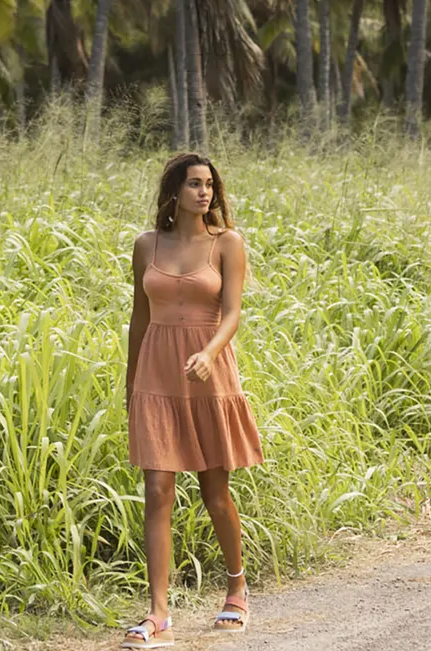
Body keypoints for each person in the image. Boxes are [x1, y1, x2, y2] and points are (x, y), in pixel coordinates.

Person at [122, 151, 264, 644]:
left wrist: (208, 353)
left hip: (209, 372)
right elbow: (139, 320)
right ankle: (158, 612)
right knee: (157, 490)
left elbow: (232, 314)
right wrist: (130, 386)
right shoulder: (146, 245)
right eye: (193, 184)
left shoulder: (227, 243)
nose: (204, 192)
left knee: (214, 492)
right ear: (174, 192)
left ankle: (236, 588)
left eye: (209, 184)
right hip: (156, 376)